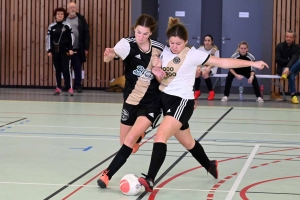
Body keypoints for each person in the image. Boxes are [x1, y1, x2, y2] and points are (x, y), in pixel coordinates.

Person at [138, 17, 268, 192]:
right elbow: (157, 70)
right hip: (165, 101)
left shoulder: (194, 54)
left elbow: (223, 62)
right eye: (172, 43)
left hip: (182, 102)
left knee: (161, 135)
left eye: (179, 43)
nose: (175, 47)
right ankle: (210, 165)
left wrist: (252, 63)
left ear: (185, 41)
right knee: (189, 143)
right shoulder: (165, 52)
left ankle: (151, 179)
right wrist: (156, 70)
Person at [96, 14, 217, 189]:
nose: (141, 37)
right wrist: (109, 54)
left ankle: (107, 174)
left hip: (152, 102)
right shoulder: (126, 44)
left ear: (151, 33)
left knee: (131, 139)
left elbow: (181, 61)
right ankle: (210, 165)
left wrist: (188, 94)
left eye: (145, 34)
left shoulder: (161, 48)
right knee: (185, 141)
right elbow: (109, 58)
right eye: (138, 32)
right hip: (131, 100)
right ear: (134, 29)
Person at [46, 7, 75, 96]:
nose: (60, 15)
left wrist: (70, 49)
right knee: (57, 69)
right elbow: (48, 39)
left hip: (65, 51)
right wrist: (49, 50)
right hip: (55, 51)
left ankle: (70, 87)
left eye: (61, 14)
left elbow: (72, 38)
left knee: (66, 69)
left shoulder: (67, 26)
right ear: (55, 16)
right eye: (58, 14)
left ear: (64, 16)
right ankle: (58, 87)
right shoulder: (51, 26)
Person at [66, 2, 90, 93]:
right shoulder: (65, 19)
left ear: (76, 9)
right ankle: (67, 85)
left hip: (78, 48)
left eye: (74, 7)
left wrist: (86, 48)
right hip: (67, 49)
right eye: (71, 8)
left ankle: (78, 85)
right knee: (67, 68)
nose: (72, 9)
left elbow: (86, 34)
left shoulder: (81, 19)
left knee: (77, 68)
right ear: (68, 10)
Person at [275, 30, 300, 104]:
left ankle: (287, 73)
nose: (288, 38)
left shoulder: (297, 47)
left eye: (290, 37)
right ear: (285, 37)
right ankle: (293, 96)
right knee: (291, 75)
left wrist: (288, 68)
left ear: (294, 38)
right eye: (287, 37)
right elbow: (278, 59)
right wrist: (288, 64)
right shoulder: (280, 46)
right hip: (282, 69)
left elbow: (295, 58)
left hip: (290, 70)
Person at [194, 35, 219, 100]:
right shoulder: (200, 49)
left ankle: (211, 92)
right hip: (202, 66)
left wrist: (208, 67)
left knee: (205, 73)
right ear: (204, 41)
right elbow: (197, 60)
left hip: (212, 67)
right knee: (197, 71)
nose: (207, 42)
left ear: (211, 42)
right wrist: (198, 66)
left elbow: (216, 62)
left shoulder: (215, 50)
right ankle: (197, 91)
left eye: (209, 40)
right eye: (205, 40)